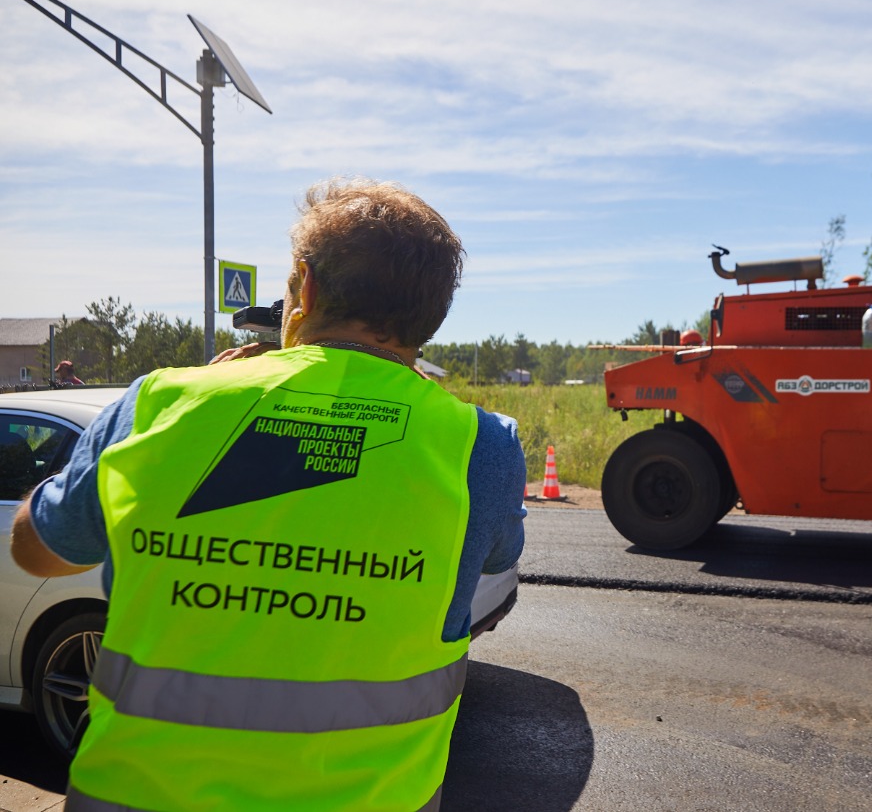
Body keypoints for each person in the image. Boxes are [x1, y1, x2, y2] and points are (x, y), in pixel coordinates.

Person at [10, 178, 526, 811]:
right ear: (433, 313)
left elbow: (38, 552)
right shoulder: (481, 447)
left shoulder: (160, 403)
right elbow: (498, 559)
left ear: (304, 289)